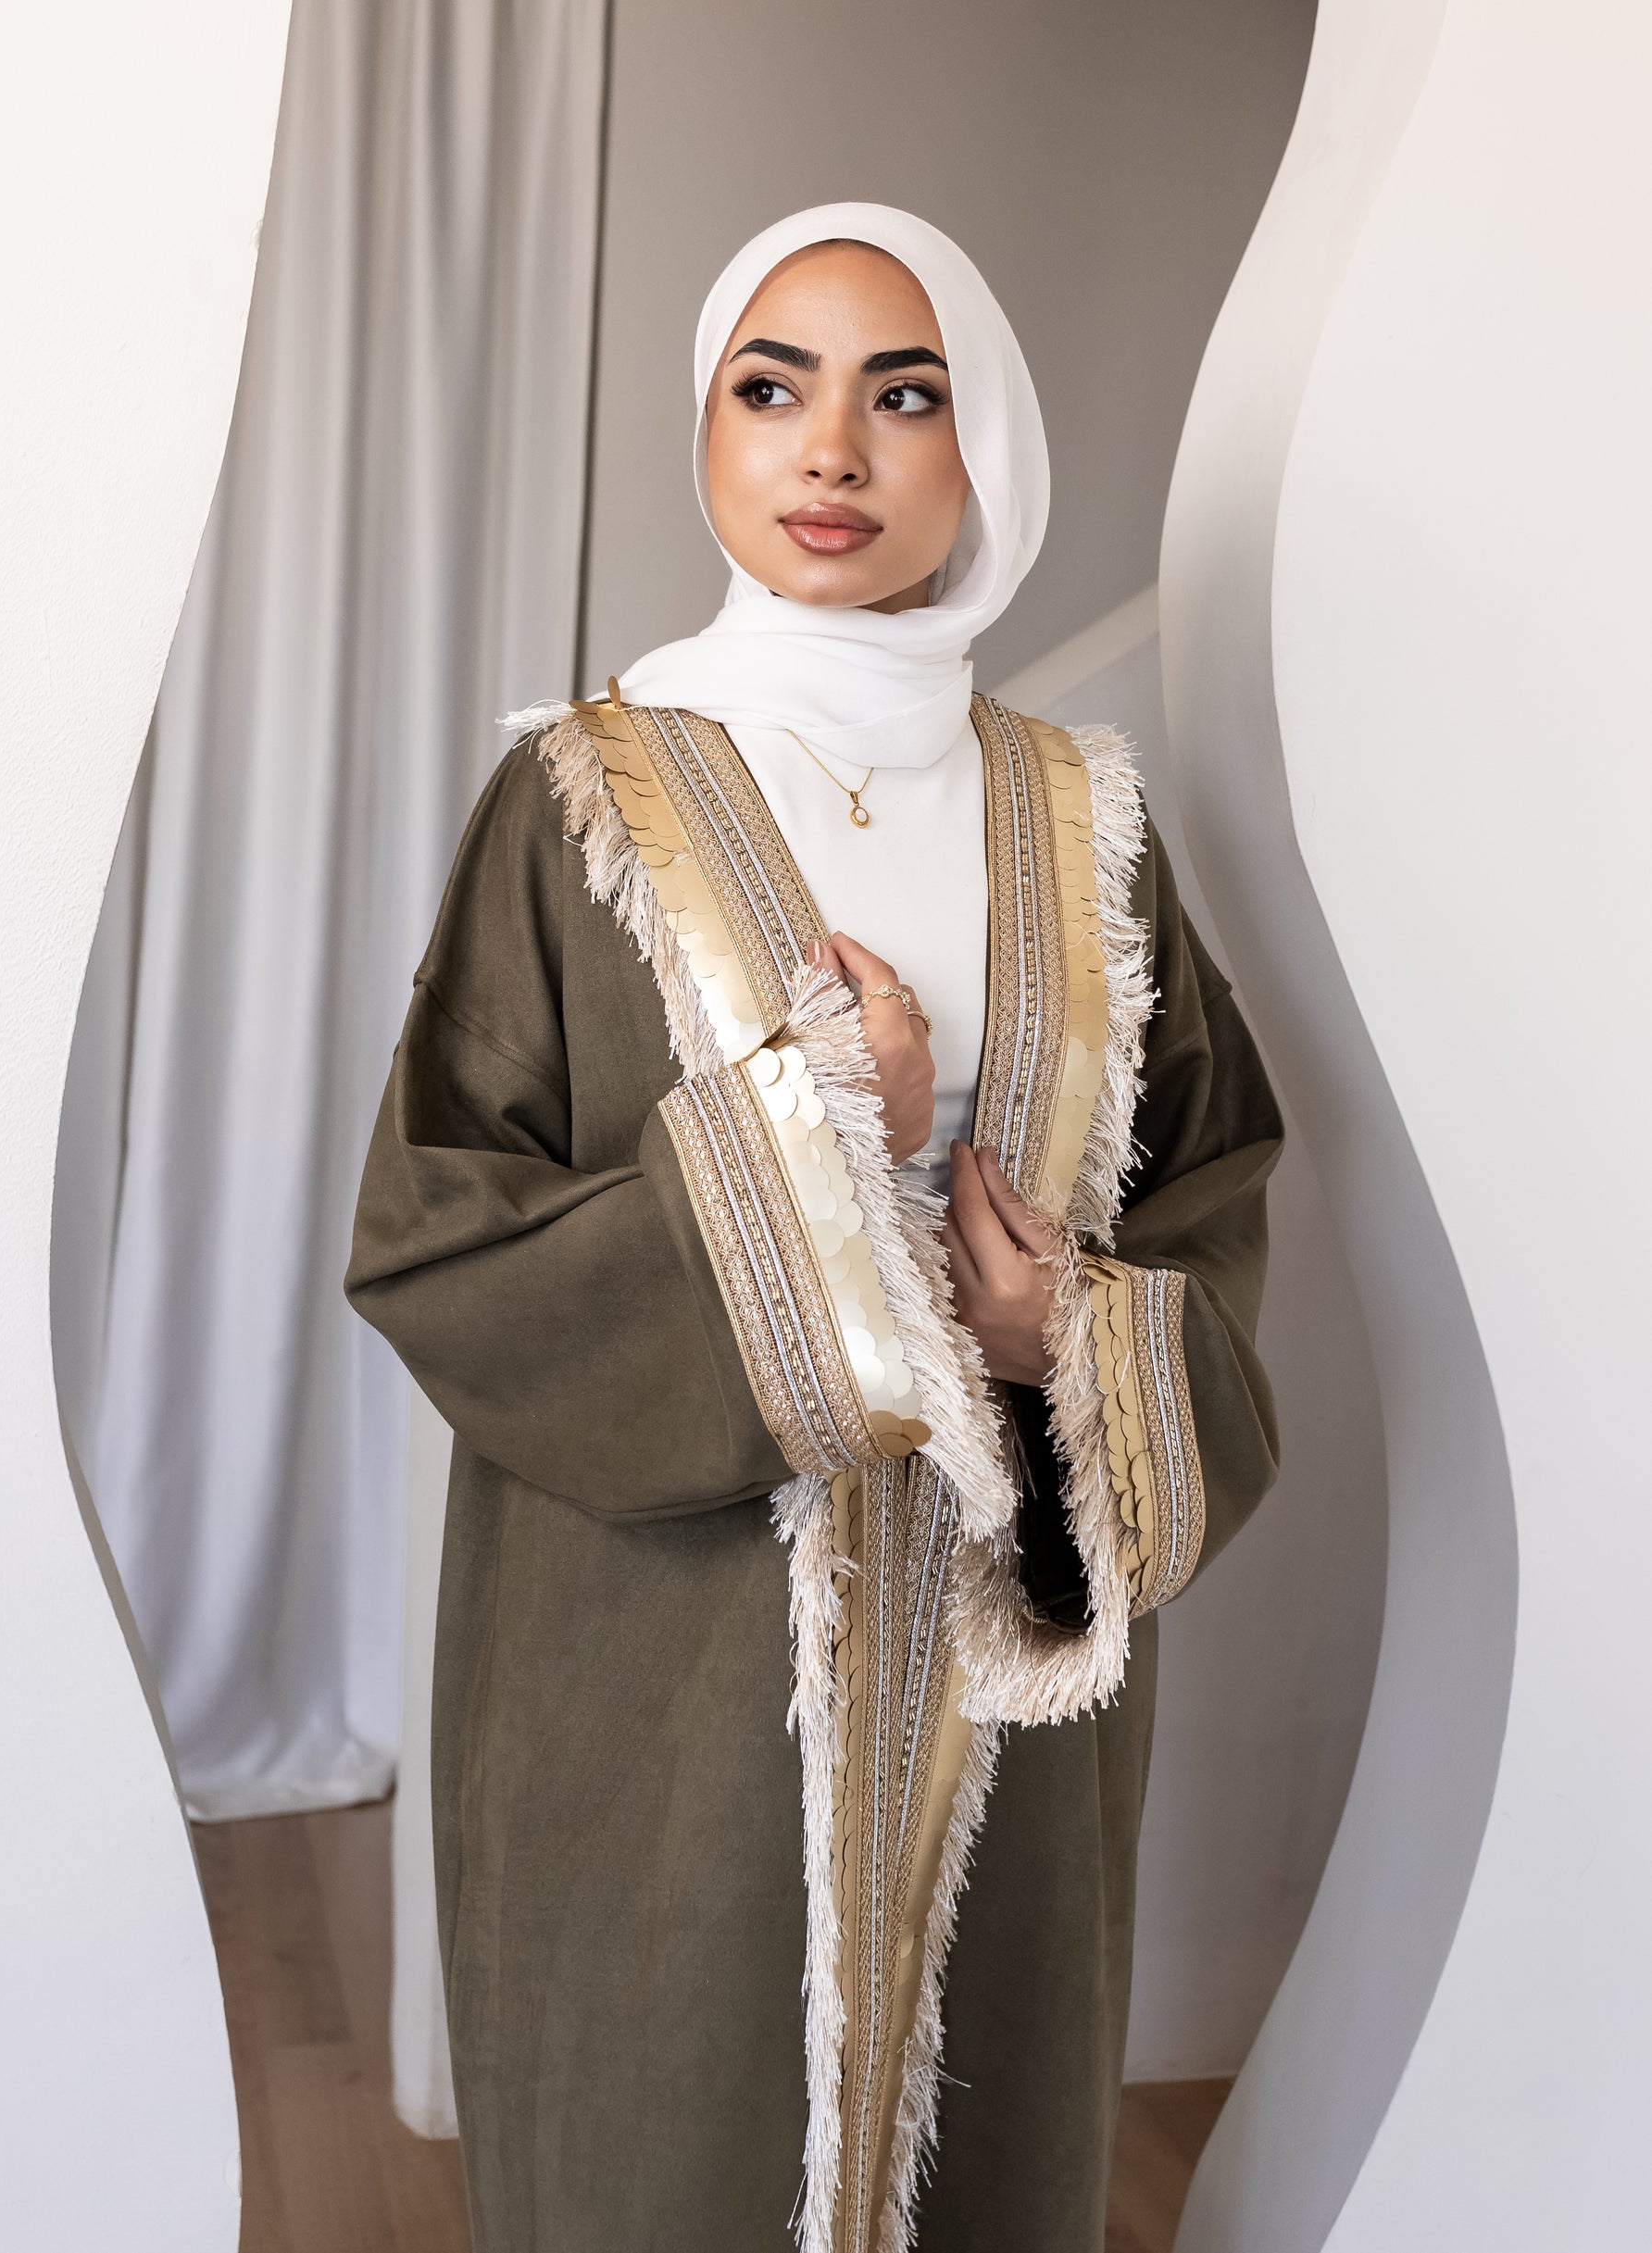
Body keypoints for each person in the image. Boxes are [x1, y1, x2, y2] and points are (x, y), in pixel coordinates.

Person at [346, 204, 1281, 2253]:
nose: (831, 449)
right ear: (707, 429)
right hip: (655, 1665)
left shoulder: (1082, 814)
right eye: (770, 388)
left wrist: (1062, 1338)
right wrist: (807, 1130)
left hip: (999, 1677)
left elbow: (1212, 1193)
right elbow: (435, 1229)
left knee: (988, 2157)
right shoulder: (579, 797)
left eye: (902, 395)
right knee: (663, 2147)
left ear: (983, 446)